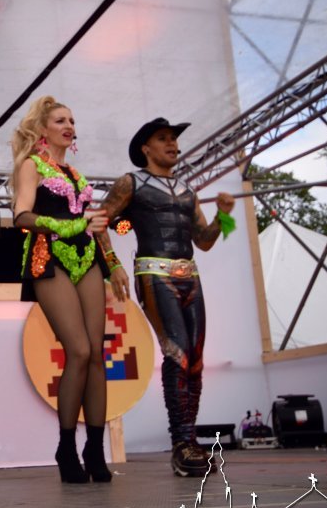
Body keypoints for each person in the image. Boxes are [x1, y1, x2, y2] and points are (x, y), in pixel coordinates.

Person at [97, 118, 236, 477]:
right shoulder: (131, 182)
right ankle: (181, 443)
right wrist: (113, 265)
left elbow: (204, 241)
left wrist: (224, 216)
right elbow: (99, 222)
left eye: (174, 139)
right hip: (154, 274)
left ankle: (189, 440)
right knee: (178, 352)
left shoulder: (188, 190)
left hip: (190, 275)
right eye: (163, 139)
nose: (172, 144)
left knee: (196, 360)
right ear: (146, 148)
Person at [11, 96, 112, 484]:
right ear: (42, 129)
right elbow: (21, 215)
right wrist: (70, 226)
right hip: (49, 257)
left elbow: (91, 223)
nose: (69, 126)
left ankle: (95, 448)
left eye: (71, 120)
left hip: (87, 258)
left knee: (97, 355)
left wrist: (113, 262)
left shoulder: (75, 173)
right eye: (60, 120)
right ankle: (66, 446)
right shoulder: (31, 165)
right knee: (79, 351)